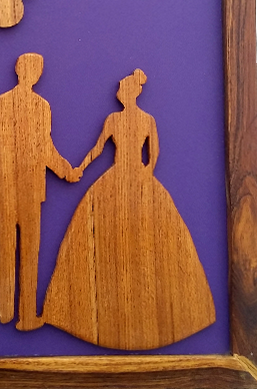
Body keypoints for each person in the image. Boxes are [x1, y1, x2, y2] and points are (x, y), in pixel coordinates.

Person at [43, 69, 215, 349]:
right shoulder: (128, 119)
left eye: (120, 89)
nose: (116, 93)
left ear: (128, 93)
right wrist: (85, 167)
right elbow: (124, 152)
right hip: (130, 178)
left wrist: (86, 168)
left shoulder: (134, 120)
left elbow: (139, 152)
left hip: (130, 178)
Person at [0, 53, 81, 331]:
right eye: (34, 69)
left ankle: (10, 311)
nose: (35, 74)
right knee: (26, 250)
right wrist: (65, 170)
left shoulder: (4, 103)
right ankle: (21, 314)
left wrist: (64, 170)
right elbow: (42, 149)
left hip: (13, 185)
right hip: (22, 186)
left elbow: (0, 146)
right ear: (23, 71)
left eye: (37, 70)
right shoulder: (37, 106)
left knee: (11, 248)